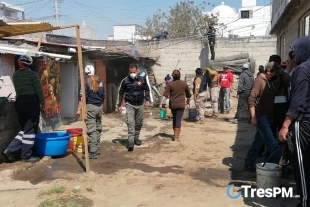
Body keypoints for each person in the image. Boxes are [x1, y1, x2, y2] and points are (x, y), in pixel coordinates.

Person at [279, 36, 310, 207]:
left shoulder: (302, 70)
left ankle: (304, 201)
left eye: (295, 52)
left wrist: (285, 126)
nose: (293, 56)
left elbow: (298, 102)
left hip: (304, 123)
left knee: (301, 164)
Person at [2, 55, 45, 163]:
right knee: (30, 131)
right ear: (30, 63)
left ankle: (10, 150)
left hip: (20, 104)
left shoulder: (16, 75)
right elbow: (39, 91)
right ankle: (26, 156)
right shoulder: (33, 75)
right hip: (31, 104)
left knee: (25, 129)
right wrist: (43, 104)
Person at [244, 62, 282, 172]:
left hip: (268, 116)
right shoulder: (259, 82)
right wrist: (253, 117)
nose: (276, 75)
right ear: (269, 72)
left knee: (259, 142)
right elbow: (251, 99)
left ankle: (249, 163)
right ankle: (282, 167)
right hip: (261, 117)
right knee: (272, 142)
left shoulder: (268, 81)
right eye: (275, 73)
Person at [117, 63, 151, 151]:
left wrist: (147, 99)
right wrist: (119, 105)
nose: (133, 73)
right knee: (130, 122)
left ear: (137, 71)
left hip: (140, 103)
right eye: (131, 72)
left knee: (139, 122)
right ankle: (131, 142)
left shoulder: (142, 79)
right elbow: (120, 93)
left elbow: (147, 89)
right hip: (129, 104)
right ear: (129, 71)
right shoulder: (125, 81)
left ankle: (136, 138)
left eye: (134, 72)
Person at [76, 65, 105, 159]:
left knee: (91, 129)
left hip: (91, 107)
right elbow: (103, 94)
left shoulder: (85, 82)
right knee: (98, 128)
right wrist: (101, 106)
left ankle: (93, 152)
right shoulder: (100, 81)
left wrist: (78, 109)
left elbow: (82, 97)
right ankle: (96, 148)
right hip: (99, 106)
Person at [159, 70, 191, 141]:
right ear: (180, 76)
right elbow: (188, 94)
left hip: (173, 104)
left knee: (174, 118)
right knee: (178, 119)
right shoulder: (184, 84)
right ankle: (176, 137)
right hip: (181, 104)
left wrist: (161, 103)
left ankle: (175, 134)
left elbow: (165, 95)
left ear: (172, 76)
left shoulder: (170, 84)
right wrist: (188, 100)